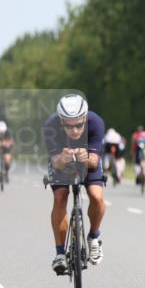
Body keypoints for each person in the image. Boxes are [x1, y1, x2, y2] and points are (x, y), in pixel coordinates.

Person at [43, 94, 106, 274]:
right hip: (62, 162)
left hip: (87, 160)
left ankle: (94, 237)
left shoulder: (96, 123)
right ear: (61, 121)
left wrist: (86, 158)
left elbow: (94, 161)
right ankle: (60, 254)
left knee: (96, 196)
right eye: (69, 126)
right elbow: (55, 162)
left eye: (79, 124)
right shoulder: (50, 125)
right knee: (60, 196)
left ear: (85, 118)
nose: (75, 130)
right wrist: (62, 159)